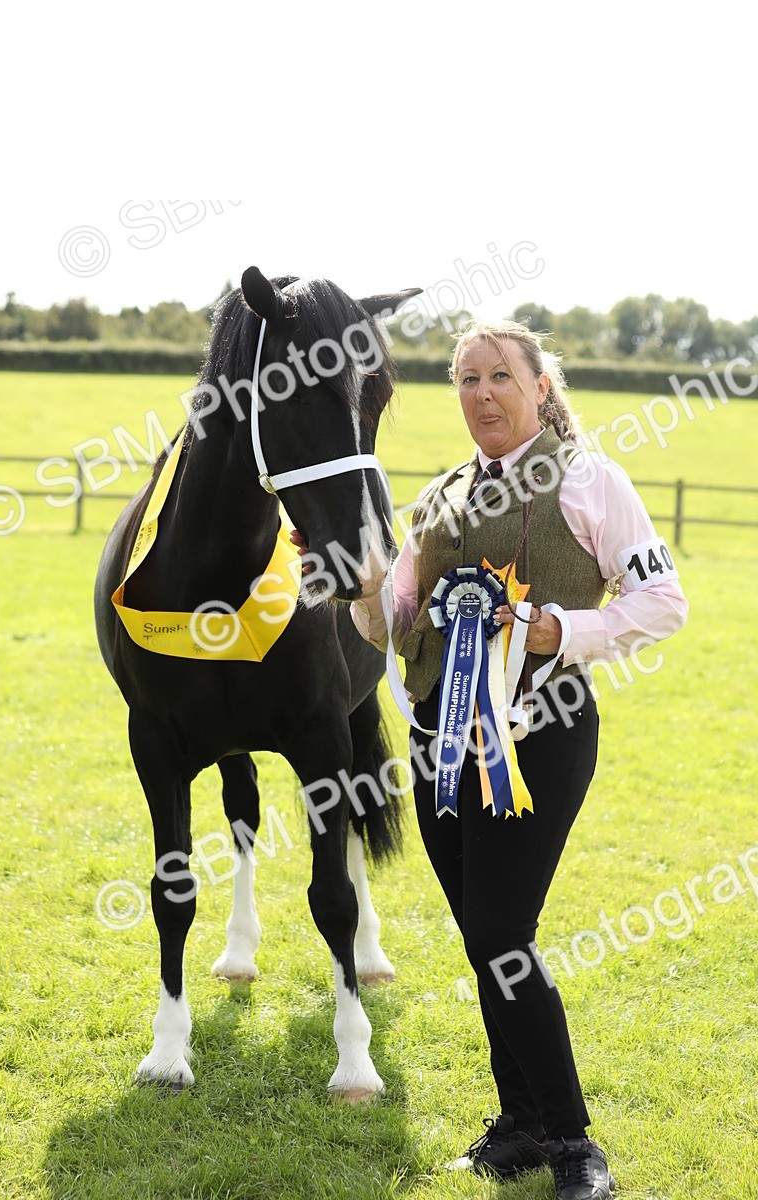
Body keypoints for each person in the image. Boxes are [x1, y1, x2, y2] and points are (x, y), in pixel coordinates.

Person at [341, 320, 688, 1199]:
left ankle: (574, 1144)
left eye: (500, 376)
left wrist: (560, 629)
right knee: (484, 940)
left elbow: (663, 600)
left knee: (502, 935)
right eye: (466, 380)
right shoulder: (442, 494)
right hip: (439, 746)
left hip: (542, 739)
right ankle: (521, 1124)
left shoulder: (591, 478)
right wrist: (362, 590)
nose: (482, 394)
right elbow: (396, 619)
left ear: (540, 387)